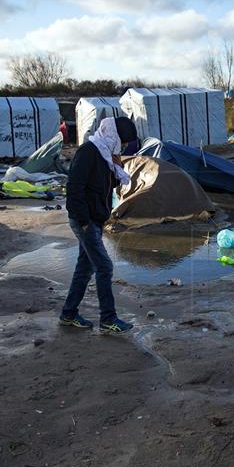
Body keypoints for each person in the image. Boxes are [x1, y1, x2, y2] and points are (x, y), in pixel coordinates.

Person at [60, 117, 138, 333]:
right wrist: (84, 223)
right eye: (122, 142)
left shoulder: (105, 155)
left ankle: (68, 314)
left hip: (94, 219)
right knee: (104, 267)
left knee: (84, 269)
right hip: (84, 221)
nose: (123, 147)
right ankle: (108, 318)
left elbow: (102, 186)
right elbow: (74, 189)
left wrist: (116, 168)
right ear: (113, 135)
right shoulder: (88, 152)